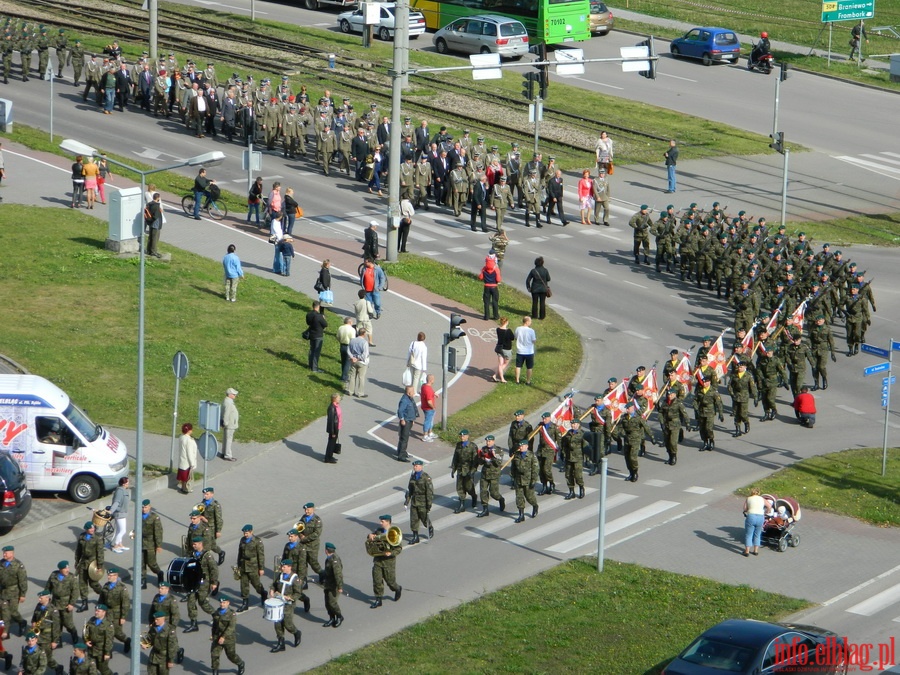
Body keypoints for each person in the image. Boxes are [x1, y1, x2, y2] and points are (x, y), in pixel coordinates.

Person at [269, 560, 306, 652]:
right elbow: (274, 585)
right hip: (279, 603)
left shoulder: (295, 578)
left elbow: (298, 593)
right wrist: (272, 590)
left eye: (284, 567)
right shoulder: (281, 575)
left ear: (289, 567)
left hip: (288, 604)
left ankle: (296, 633)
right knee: (277, 623)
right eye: (282, 567)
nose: (282, 568)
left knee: (287, 624)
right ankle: (281, 643)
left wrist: (290, 597)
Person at [183, 537, 218, 634]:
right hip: (192, 582)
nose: (193, 546)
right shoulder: (192, 554)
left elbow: (214, 569)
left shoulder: (207, 556)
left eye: (195, 544)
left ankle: (215, 615)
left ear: (201, 544)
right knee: (191, 602)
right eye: (193, 544)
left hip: (204, 582)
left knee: (203, 602)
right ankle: (194, 624)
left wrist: (214, 582)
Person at [367, 515, 402, 609]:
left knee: (390, 582)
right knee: (377, 580)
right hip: (378, 560)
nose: (380, 523)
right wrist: (370, 536)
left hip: (388, 562)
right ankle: (378, 599)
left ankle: (397, 589)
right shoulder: (379, 531)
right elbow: (371, 536)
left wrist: (391, 553)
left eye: (382, 521)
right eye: (380, 521)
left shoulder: (394, 533)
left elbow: (399, 549)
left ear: (388, 522)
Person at [44, 561, 79, 644]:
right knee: (56, 622)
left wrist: (72, 604)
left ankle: (73, 633)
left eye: (68, 568)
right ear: (60, 569)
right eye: (65, 568)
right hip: (55, 602)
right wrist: (46, 598)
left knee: (68, 623)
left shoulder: (72, 578)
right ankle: (57, 639)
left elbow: (75, 592)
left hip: (66, 604)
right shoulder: (53, 575)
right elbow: (48, 587)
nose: (67, 570)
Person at [235, 525, 266, 614]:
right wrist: (238, 565)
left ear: (251, 532)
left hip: (253, 566)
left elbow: (261, 556)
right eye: (244, 533)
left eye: (247, 533)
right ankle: (245, 603)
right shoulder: (242, 540)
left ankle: (263, 593)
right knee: (243, 585)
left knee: (256, 584)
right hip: (243, 565)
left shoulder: (257, 541)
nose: (245, 534)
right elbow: (240, 553)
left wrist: (261, 568)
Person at [211, 596, 245, 675]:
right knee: (214, 655)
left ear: (228, 603)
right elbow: (214, 625)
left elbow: (231, 627)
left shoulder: (231, 614)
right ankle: (215, 672)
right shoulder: (217, 612)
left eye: (224, 603)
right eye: (221, 603)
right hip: (217, 637)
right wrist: (213, 635)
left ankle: (240, 663)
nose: (222, 604)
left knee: (231, 656)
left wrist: (223, 637)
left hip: (228, 638)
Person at [98, 568, 130, 651]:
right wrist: (99, 610)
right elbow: (101, 599)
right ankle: (108, 651)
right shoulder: (106, 586)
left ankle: (126, 640)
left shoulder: (122, 588)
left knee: (117, 633)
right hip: (107, 613)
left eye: (111, 575)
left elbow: (125, 603)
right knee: (108, 632)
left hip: (117, 614)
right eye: (108, 575)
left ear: (116, 576)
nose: (109, 577)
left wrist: (123, 617)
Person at [657, 389, 691, 465]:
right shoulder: (665, 402)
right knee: (667, 442)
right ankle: (670, 456)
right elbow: (660, 413)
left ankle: (674, 456)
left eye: (671, 395)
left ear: (675, 395)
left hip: (675, 424)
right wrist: (661, 422)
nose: (670, 396)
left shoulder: (678, 403)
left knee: (673, 442)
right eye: (669, 395)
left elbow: (684, 413)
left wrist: (688, 423)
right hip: (666, 424)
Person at [0, 546, 26, 641]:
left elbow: (22, 581)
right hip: (3, 592)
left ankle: (21, 622)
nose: (4, 554)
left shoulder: (18, 565)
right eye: (3, 553)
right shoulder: (1, 563)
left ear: (12, 553)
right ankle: (5, 633)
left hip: (14, 592)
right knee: (4, 613)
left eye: (6, 553)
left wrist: (23, 594)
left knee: (13, 612)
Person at [510, 439, 539, 523]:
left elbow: (535, 469)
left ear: (527, 446)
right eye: (520, 446)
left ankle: (535, 506)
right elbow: (513, 468)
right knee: (519, 498)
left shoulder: (531, 456)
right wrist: (513, 478)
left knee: (529, 497)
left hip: (528, 480)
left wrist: (534, 480)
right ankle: (521, 515)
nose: (521, 447)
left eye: (523, 446)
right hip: (518, 480)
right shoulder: (517, 455)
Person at [406, 460, 434, 544]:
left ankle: (430, 527)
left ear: (421, 467)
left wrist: (429, 504)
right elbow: (410, 490)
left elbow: (429, 492)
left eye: (417, 466)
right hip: (414, 501)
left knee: (424, 518)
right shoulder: (412, 476)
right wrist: (407, 501)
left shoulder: (426, 477)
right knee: (413, 519)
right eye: (414, 466)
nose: (415, 467)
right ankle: (415, 536)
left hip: (423, 501)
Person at [450, 429, 478, 513]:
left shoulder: (473, 446)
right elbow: (455, 458)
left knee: (469, 487)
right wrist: (453, 469)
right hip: (460, 469)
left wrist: (472, 470)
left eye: (464, 436)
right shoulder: (458, 445)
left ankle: (474, 496)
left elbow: (475, 460)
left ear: (467, 436)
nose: (462, 437)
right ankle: (462, 505)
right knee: (460, 487)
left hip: (468, 469)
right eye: (461, 436)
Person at [140, 500, 164, 590]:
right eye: (142, 507)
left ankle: (159, 573)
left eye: (145, 507)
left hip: (150, 543)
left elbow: (158, 532)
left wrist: (159, 545)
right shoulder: (139, 516)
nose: (143, 509)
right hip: (141, 542)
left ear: (149, 507)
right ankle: (143, 580)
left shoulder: (154, 517)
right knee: (141, 563)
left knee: (151, 563)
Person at [83, 603, 113, 675]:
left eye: (98, 611)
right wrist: (86, 640)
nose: (96, 612)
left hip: (101, 651)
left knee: (103, 670)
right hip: (91, 650)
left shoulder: (108, 624)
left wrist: (107, 653)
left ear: (104, 612)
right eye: (95, 610)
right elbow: (85, 631)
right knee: (91, 668)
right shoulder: (92, 620)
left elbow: (109, 640)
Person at [561, 419, 586, 500]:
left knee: (578, 475)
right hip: (569, 458)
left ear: (578, 424)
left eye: (575, 424)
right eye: (572, 424)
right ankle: (571, 491)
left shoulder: (582, 434)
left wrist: (586, 458)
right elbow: (564, 444)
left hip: (578, 458)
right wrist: (563, 453)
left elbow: (586, 446)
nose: (573, 425)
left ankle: (581, 488)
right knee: (568, 475)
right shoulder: (568, 434)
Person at [321, 543, 343, 628]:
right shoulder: (329, 558)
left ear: (326, 550)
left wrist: (340, 586)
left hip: (334, 585)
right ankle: (332, 618)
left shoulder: (334, 560)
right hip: (328, 584)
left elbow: (338, 574)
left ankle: (339, 616)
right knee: (327, 603)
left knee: (332, 602)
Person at [396, 386, 419, 463]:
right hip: (406, 421)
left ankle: (402, 452)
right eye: (413, 392)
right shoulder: (405, 400)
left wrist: (412, 419)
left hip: (409, 420)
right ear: (409, 393)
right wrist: (402, 419)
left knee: (404, 438)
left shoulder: (409, 398)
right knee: (404, 439)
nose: (414, 393)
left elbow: (412, 409)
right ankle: (401, 456)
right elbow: (400, 411)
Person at [108, 477, 130, 554]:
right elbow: (116, 502)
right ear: (123, 484)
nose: (128, 484)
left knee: (119, 530)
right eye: (127, 482)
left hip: (122, 513)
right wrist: (111, 511)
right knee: (123, 530)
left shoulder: (122, 490)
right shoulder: (120, 491)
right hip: (119, 513)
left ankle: (120, 544)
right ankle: (115, 545)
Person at [305, 301, 328, 373]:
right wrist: (323, 318)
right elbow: (325, 324)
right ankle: (314, 368)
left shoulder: (309, 314)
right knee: (316, 352)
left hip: (311, 333)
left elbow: (308, 323)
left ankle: (310, 365)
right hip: (318, 334)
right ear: (318, 307)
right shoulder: (319, 316)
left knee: (311, 350)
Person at [742, 487, 766, 557]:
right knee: (757, 534)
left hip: (751, 516)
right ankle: (755, 551)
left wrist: (748, 510)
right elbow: (769, 506)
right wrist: (766, 512)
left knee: (749, 534)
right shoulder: (762, 499)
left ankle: (747, 551)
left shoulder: (748, 498)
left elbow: (745, 508)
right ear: (759, 493)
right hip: (760, 517)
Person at [514, 316, 537, 385]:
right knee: (529, 367)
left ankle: (517, 380)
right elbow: (534, 340)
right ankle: (528, 381)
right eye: (530, 321)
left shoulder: (518, 329)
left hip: (520, 351)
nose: (531, 323)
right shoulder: (531, 331)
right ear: (527, 322)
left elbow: (515, 337)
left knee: (518, 366)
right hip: (529, 351)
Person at [348, 328, 370, 398]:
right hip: (362, 362)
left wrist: (352, 357)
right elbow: (365, 354)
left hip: (353, 361)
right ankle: (360, 393)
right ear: (364, 334)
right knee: (361, 377)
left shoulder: (352, 340)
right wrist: (358, 358)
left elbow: (348, 350)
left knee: (352, 376)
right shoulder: (364, 342)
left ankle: (350, 391)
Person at [479, 256, 501, 321]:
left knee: (486, 302)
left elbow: (480, 277)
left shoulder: (484, 269)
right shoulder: (496, 269)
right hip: (494, 287)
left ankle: (486, 316)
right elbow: (498, 279)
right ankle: (496, 316)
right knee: (495, 302)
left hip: (486, 287)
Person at [176, 423, 197, 494]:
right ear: (189, 431)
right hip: (187, 462)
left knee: (183, 477)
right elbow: (190, 453)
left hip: (182, 460)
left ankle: (183, 487)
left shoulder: (181, 437)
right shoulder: (189, 440)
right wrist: (192, 463)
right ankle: (186, 489)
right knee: (187, 477)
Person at [221, 388, 239, 462]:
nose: (235, 395)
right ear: (230, 395)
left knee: (226, 438)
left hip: (229, 424)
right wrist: (226, 423)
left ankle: (224, 452)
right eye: (234, 394)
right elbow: (226, 414)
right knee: (229, 439)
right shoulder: (229, 403)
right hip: (230, 424)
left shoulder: (227, 401)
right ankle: (228, 455)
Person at [494, 317, 514, 383]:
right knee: (505, 363)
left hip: (499, 348)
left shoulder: (498, 330)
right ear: (506, 322)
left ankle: (496, 376)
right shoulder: (509, 331)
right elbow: (512, 338)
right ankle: (500, 378)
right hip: (507, 349)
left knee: (500, 364)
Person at [419, 374, 437, 442]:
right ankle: (425, 435)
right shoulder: (428, 389)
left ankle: (430, 433)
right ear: (431, 380)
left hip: (424, 406)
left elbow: (425, 393)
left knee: (430, 421)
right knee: (428, 421)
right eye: (433, 379)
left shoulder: (424, 386)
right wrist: (433, 407)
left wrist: (434, 393)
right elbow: (429, 401)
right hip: (428, 408)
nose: (434, 380)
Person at [145, 192, 164, 258]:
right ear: (158, 198)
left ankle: (148, 250)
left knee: (150, 237)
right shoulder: (156, 206)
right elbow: (155, 216)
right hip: (155, 224)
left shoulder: (149, 204)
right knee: (155, 238)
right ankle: (153, 252)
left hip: (150, 223)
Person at [325, 393, 341, 464]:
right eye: (338, 397)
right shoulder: (332, 408)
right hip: (333, 429)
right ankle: (328, 458)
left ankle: (330, 455)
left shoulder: (336, 406)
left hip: (336, 427)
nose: (339, 398)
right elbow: (331, 421)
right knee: (331, 443)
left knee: (333, 443)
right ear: (334, 399)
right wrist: (333, 432)